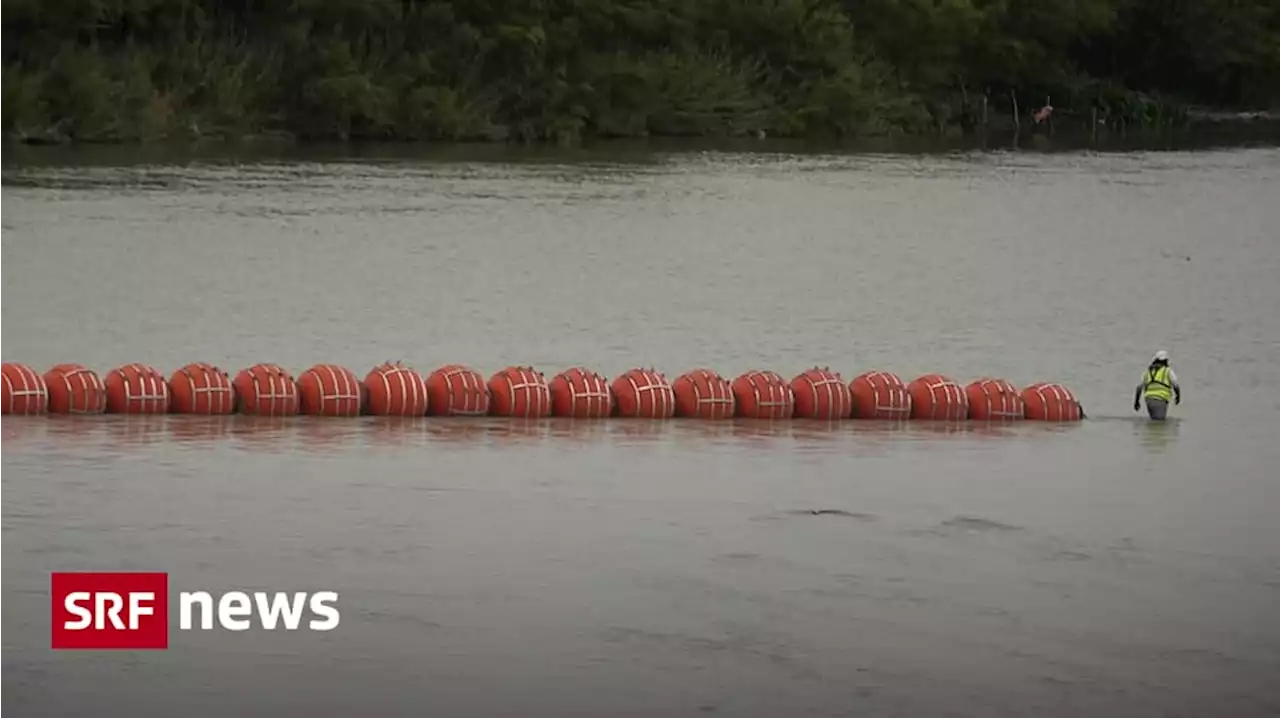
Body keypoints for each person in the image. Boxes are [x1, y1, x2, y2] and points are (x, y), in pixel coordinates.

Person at [1134, 350, 1180, 420]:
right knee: (1160, 422)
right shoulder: (1167, 371)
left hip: (1149, 399)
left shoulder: (1148, 371)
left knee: (1154, 421)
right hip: (1161, 399)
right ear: (1166, 361)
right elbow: (1175, 385)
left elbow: (1139, 388)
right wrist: (1178, 397)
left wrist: (1136, 402)